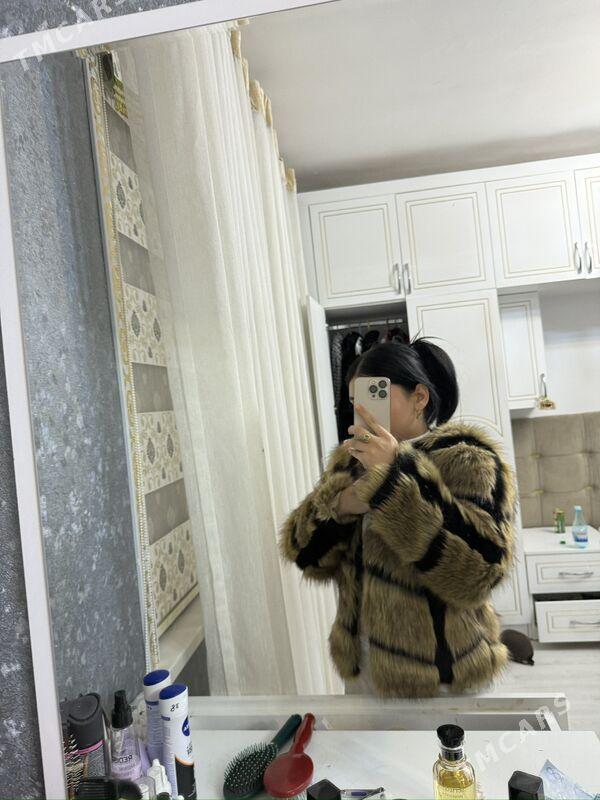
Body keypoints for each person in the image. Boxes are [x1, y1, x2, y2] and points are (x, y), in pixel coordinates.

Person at [280, 338, 517, 698]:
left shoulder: (467, 458)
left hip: (442, 674)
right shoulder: (350, 461)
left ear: (419, 397)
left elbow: (478, 573)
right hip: (363, 670)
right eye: (355, 400)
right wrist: (342, 504)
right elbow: (305, 555)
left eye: (373, 394)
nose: (362, 409)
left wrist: (393, 479)